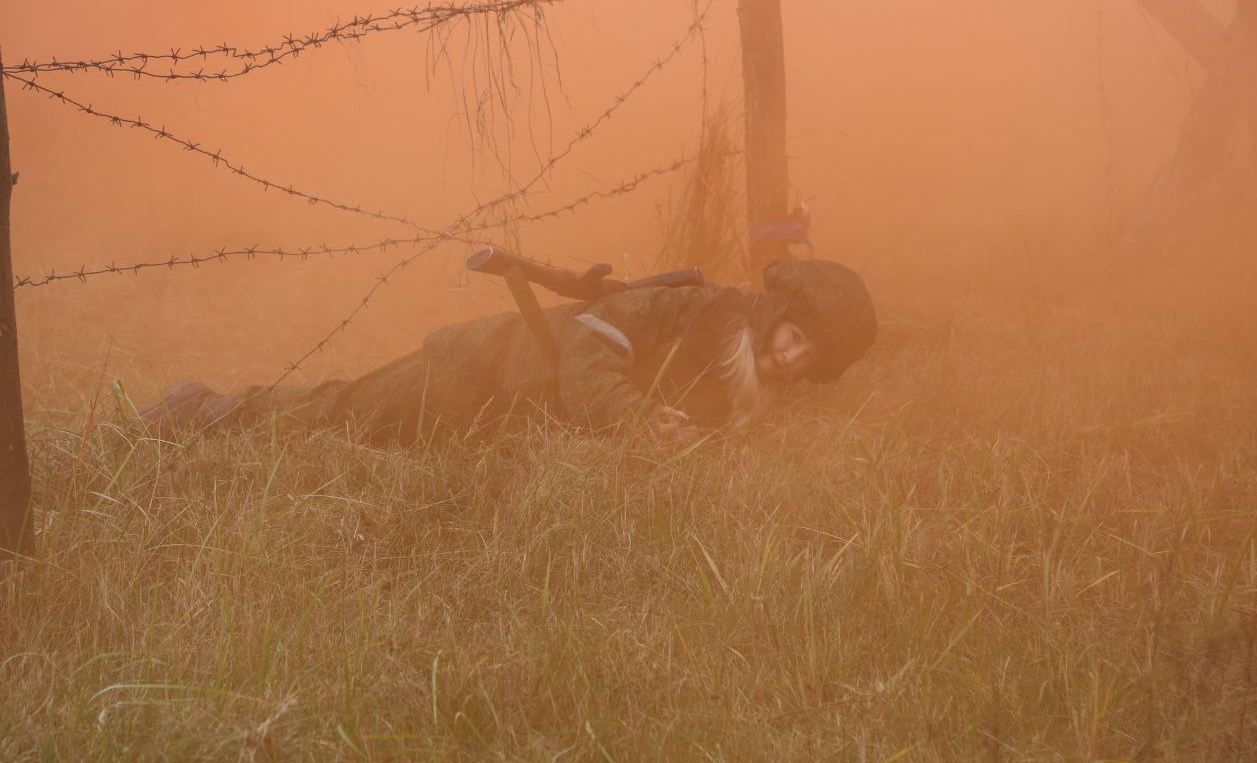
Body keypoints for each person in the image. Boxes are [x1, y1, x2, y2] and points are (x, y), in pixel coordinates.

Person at [141, 258, 877, 444]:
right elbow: (588, 349)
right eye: (796, 338)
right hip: (481, 370)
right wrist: (634, 422)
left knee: (356, 435)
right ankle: (198, 412)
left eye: (809, 358)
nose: (792, 358)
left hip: (503, 420)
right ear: (779, 316)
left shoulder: (738, 384)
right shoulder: (696, 310)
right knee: (342, 417)